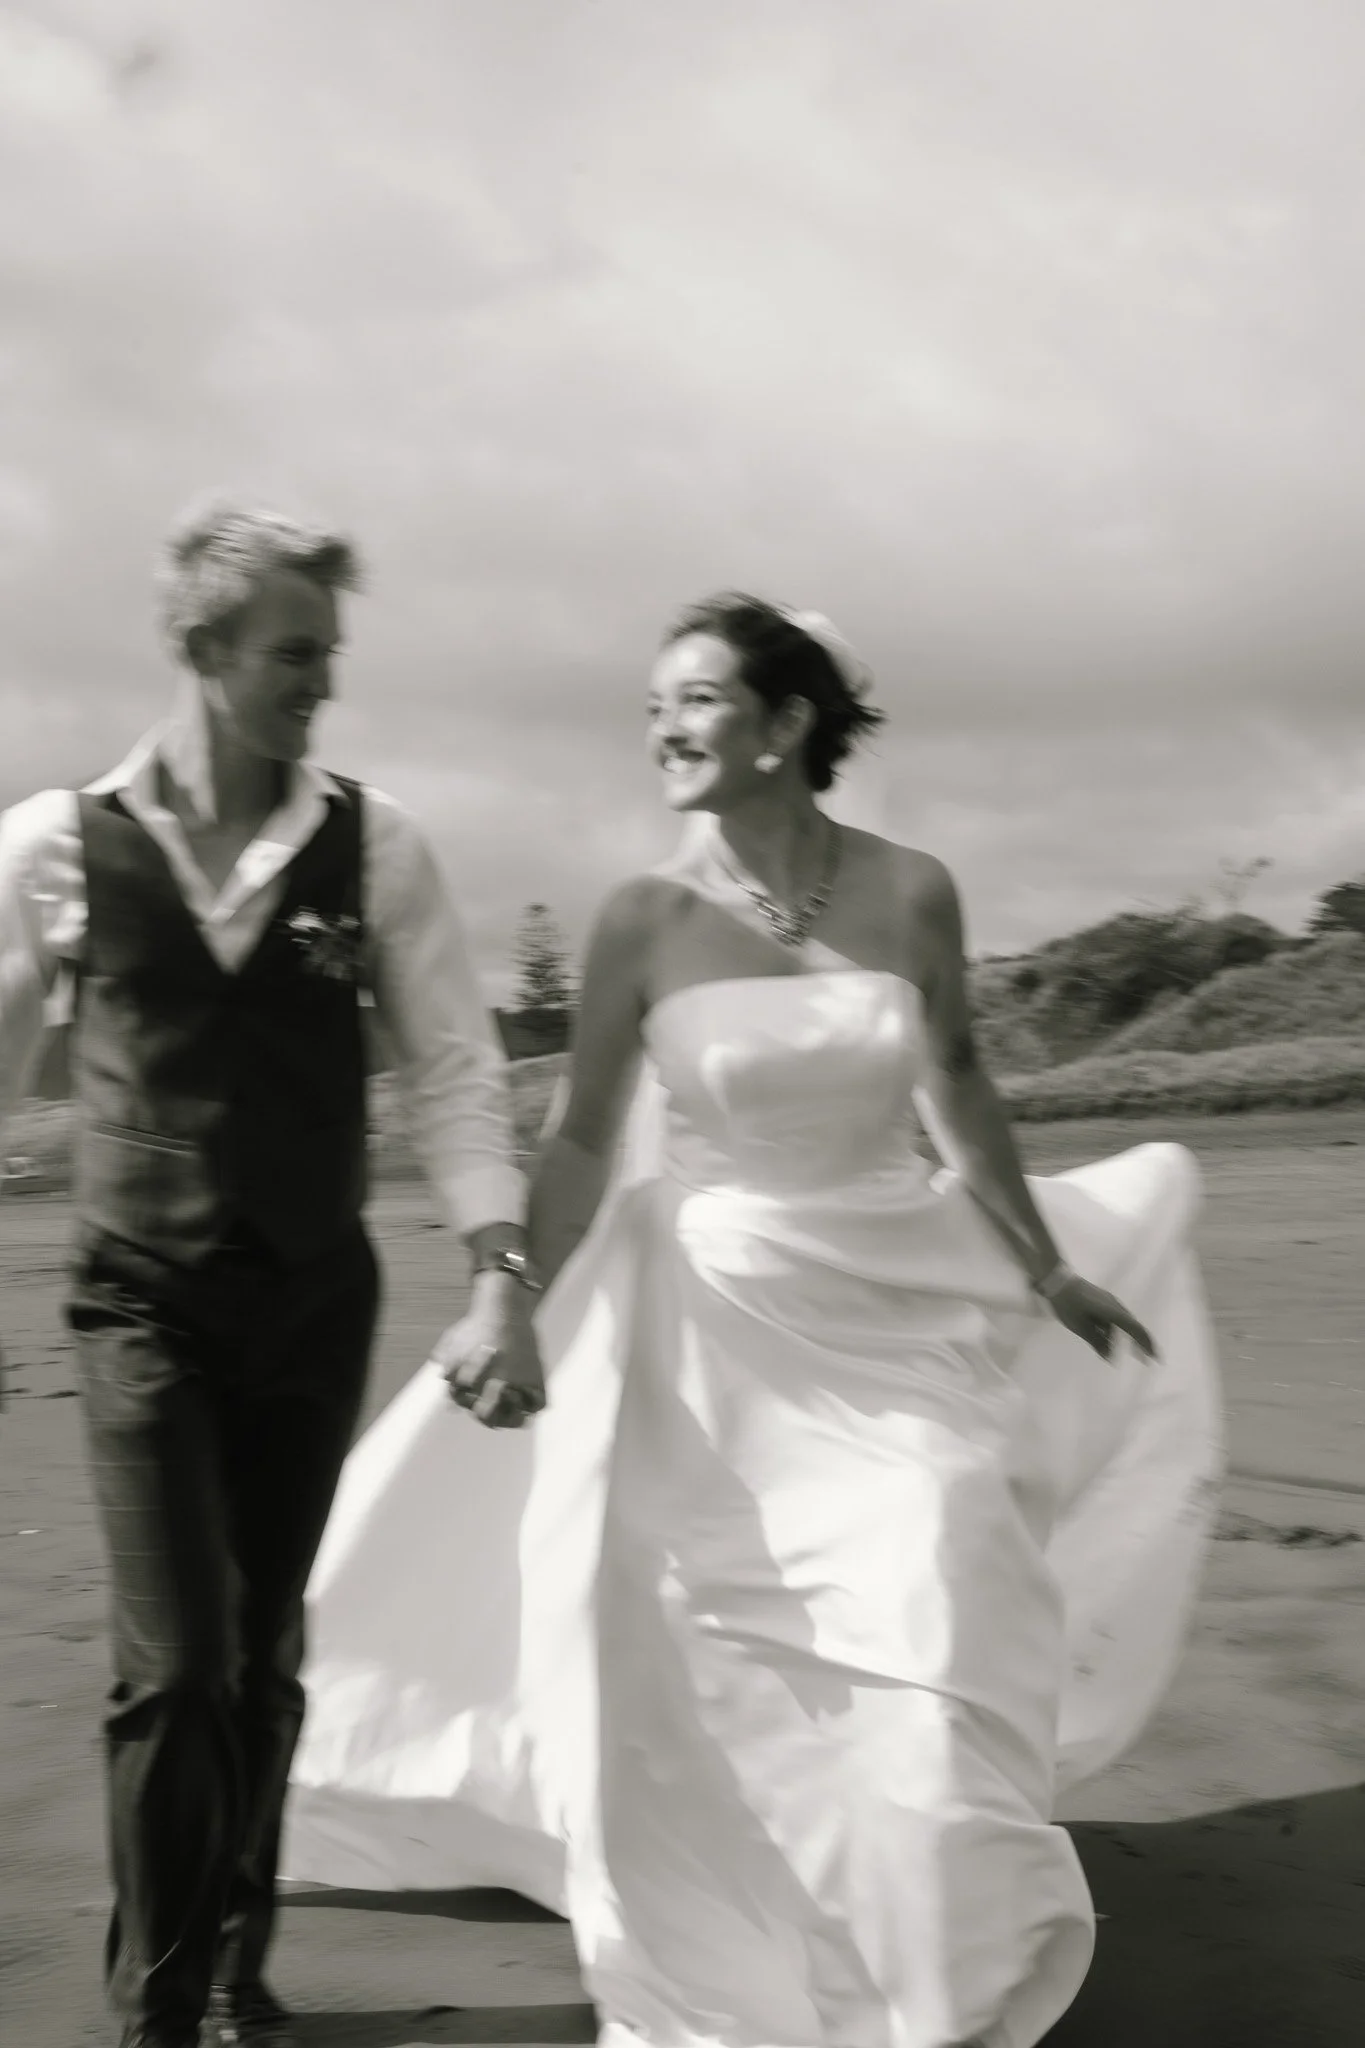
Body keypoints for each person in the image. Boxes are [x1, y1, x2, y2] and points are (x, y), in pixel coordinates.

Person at [283, 594, 1221, 2048]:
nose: (664, 726)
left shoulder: (912, 892)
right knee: (720, 1660)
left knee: (939, 1565)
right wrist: (511, 1299)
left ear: (787, 726)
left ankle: (940, 1960)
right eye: (653, 703)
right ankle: (767, 1944)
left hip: (897, 1301)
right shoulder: (644, 920)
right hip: (715, 1335)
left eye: (699, 698)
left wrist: (1046, 1269)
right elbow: (587, 1140)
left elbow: (958, 1090)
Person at [0, 498, 545, 2048]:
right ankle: (158, 2015)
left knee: (261, 1658)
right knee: (174, 1667)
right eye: (295, 652)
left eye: (330, 653)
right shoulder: (57, 845)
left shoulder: (382, 849)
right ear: (203, 646)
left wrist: (498, 1275)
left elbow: (451, 1073)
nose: (322, 681)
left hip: (315, 1294)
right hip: (137, 1294)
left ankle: (237, 1954)